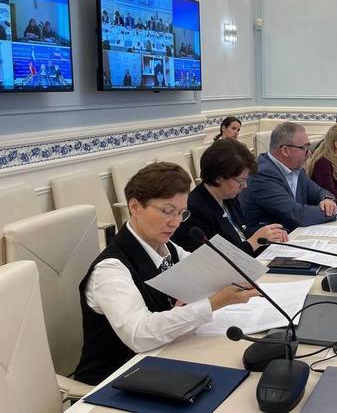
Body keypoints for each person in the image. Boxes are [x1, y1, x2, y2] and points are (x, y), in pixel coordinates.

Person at [74, 162, 259, 385]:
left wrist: (236, 277)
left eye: (182, 213)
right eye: (167, 211)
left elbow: (204, 270)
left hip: (162, 361)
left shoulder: (167, 246)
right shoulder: (111, 269)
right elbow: (139, 335)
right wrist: (214, 302)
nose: (176, 222)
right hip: (113, 382)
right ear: (135, 207)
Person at [174, 139, 288, 254]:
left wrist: (269, 233)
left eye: (246, 179)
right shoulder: (194, 211)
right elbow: (218, 258)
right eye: (241, 180)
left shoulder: (228, 197)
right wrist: (254, 242)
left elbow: (241, 233)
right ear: (218, 178)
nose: (245, 186)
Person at [238, 122, 337, 231]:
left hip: (293, 234)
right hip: (270, 239)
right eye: (304, 148)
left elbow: (318, 191)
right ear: (285, 150)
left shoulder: (296, 167)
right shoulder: (262, 174)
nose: (309, 153)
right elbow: (297, 215)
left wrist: (327, 199)